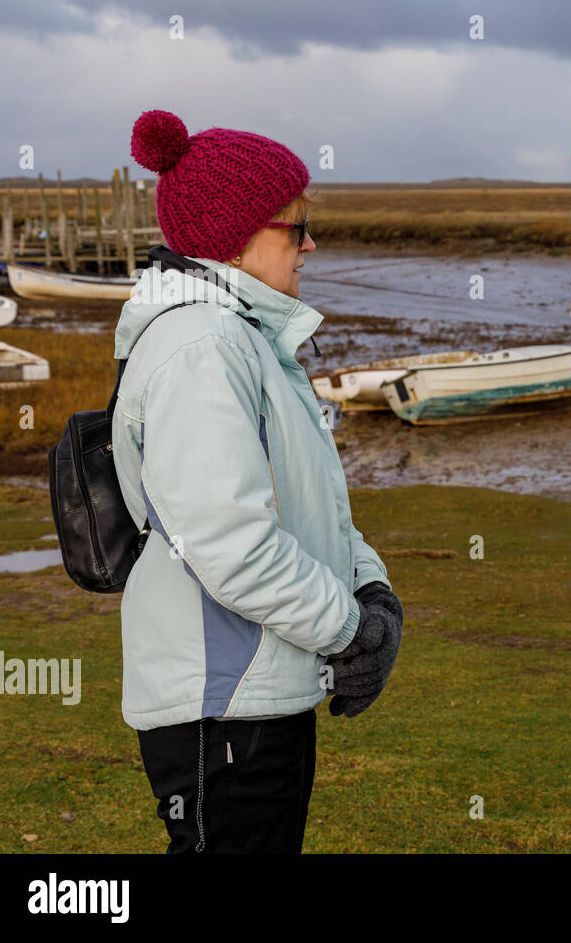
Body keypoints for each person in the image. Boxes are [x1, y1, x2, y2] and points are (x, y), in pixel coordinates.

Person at [111, 109, 404, 853]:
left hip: (257, 694)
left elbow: (307, 507)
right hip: (224, 709)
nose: (311, 242)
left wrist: (371, 588)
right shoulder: (202, 346)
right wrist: (348, 630)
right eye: (294, 225)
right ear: (231, 237)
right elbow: (229, 541)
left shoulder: (243, 338)